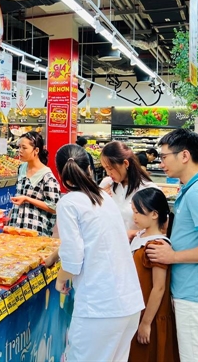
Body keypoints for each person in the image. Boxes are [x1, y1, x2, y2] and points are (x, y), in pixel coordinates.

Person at [49, 144, 144, 362]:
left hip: (100, 306)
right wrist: (56, 254)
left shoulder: (69, 202)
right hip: (128, 302)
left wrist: (61, 279)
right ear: (90, 169)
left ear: (60, 173)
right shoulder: (103, 197)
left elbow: (73, 258)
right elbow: (97, 240)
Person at [147, 129, 198, 362]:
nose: (161, 162)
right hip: (191, 290)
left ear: (184, 156)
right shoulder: (192, 188)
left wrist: (172, 256)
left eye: (164, 156)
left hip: (196, 294)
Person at [128, 188, 179, 362]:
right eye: (133, 211)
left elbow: (159, 287)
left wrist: (146, 323)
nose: (134, 216)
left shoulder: (157, 244)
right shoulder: (141, 235)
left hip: (150, 314)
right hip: (138, 308)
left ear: (154, 214)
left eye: (138, 212)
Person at [100, 141, 159, 233]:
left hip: (135, 246)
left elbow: (161, 228)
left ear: (126, 164)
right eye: (105, 168)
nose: (108, 173)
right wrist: (98, 199)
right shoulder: (106, 184)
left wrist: (136, 234)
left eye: (110, 168)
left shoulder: (147, 189)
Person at [8, 132, 59, 237]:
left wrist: (28, 199)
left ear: (36, 150)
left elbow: (55, 207)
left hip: (36, 230)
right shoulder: (21, 169)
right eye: (19, 147)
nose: (20, 151)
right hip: (16, 228)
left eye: (24, 148)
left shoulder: (47, 176)